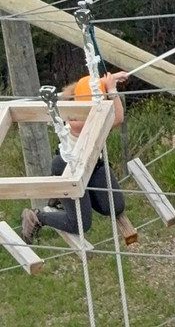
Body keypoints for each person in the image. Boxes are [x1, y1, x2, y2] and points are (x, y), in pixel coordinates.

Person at [21, 70, 129, 244]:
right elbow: (116, 118)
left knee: (116, 206)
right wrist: (111, 90)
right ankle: (37, 216)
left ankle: (66, 198)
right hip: (68, 166)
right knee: (80, 224)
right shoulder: (75, 118)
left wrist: (108, 81)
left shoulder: (85, 101)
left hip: (92, 164)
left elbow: (90, 89)